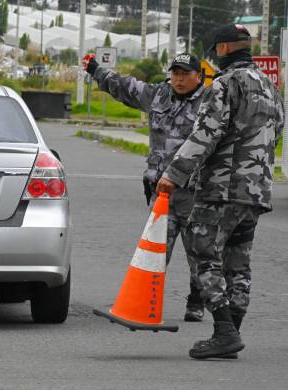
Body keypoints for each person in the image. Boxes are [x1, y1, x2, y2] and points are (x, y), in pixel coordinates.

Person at [157, 24, 284, 359]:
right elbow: (278, 131)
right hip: (257, 190)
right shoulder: (272, 87)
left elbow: (206, 134)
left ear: (224, 49)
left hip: (222, 188)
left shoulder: (225, 84)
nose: (213, 56)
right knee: (238, 262)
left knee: (202, 252)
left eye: (214, 50)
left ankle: (224, 331)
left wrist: (173, 174)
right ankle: (232, 331)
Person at [83, 52, 207, 321]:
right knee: (155, 250)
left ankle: (197, 299)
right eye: (175, 73)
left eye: (185, 74)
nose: (179, 79)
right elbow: (126, 87)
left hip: (197, 192)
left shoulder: (211, 102)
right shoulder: (159, 95)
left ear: (199, 76)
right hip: (162, 193)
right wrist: (95, 70)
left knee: (200, 252)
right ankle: (147, 302)